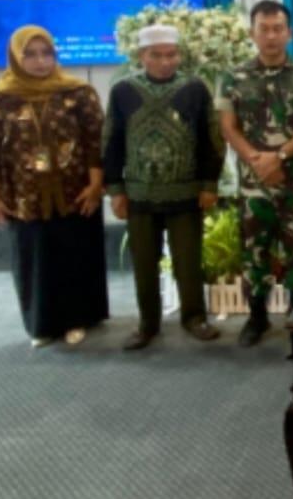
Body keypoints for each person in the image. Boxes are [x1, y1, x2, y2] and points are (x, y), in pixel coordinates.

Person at [0, 25, 108, 347]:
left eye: (46, 53)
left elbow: (96, 141)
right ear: (16, 57)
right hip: (23, 194)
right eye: (30, 54)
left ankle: (79, 319)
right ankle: (42, 325)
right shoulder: (0, 97)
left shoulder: (77, 92)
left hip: (75, 191)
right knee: (33, 258)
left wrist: (96, 186)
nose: (40, 61)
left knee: (75, 254)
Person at [103, 24, 224, 351]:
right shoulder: (123, 90)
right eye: (156, 55)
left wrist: (209, 183)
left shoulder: (195, 88)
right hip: (139, 195)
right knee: (143, 262)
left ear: (179, 54)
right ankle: (148, 323)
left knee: (188, 261)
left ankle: (194, 317)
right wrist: (115, 189)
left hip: (185, 193)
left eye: (171, 54)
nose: (165, 61)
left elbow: (210, 139)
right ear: (142, 56)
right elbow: (111, 140)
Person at [217, 1, 293, 347]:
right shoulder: (233, 77)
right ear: (252, 33)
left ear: (289, 33)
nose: (270, 36)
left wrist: (279, 156)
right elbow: (227, 126)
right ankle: (257, 317)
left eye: (277, 29)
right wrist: (257, 160)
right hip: (254, 184)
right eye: (263, 29)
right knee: (255, 250)